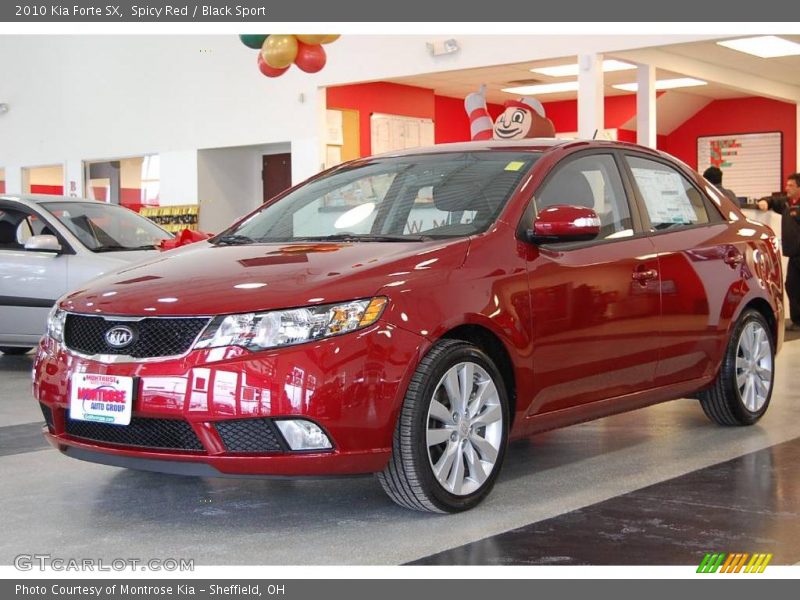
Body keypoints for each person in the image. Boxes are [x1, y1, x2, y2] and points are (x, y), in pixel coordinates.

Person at [758, 173, 800, 330]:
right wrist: (765, 202)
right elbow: (773, 200)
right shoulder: (787, 203)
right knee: (791, 286)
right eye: (787, 185)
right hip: (794, 255)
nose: (787, 188)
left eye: (791, 186)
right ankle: (797, 321)